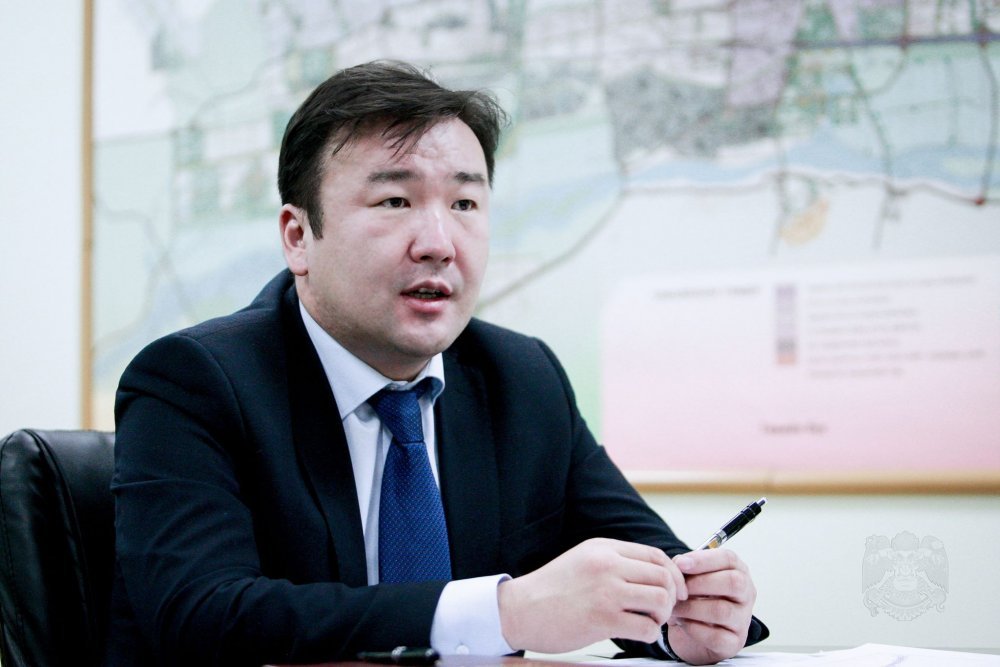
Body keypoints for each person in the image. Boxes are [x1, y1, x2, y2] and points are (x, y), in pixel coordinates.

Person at [107, 60, 767, 666]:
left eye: (464, 204)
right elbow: (202, 616)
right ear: (298, 236)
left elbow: (656, 565)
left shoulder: (521, 377)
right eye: (395, 201)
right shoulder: (193, 381)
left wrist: (684, 618)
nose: (439, 243)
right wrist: (505, 612)